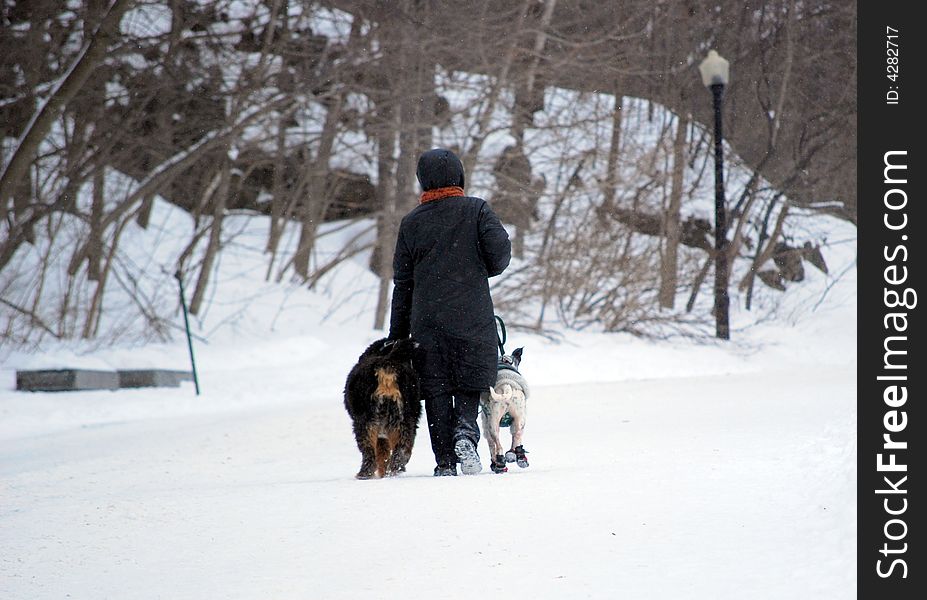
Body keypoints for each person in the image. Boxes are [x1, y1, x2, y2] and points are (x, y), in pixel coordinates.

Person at [388, 148, 511, 476]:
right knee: (470, 379)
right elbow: (499, 255)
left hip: (427, 322)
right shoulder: (476, 210)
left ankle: (444, 461)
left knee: (437, 386)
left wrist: (396, 337)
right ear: (459, 176)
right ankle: (465, 435)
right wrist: (475, 266)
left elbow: (403, 285)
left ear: (422, 180)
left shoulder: (411, 223)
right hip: (471, 315)